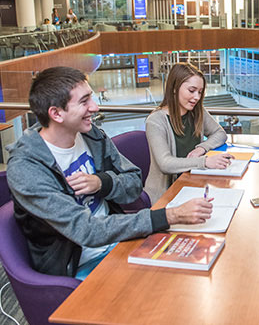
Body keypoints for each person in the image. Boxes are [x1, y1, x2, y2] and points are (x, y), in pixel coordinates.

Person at [6, 67, 214, 279]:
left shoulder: (91, 136)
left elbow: (133, 184)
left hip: (119, 243)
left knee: (194, 266)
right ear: (56, 113)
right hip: (80, 265)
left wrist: (102, 183)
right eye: (84, 101)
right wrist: (172, 215)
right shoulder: (26, 168)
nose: (95, 107)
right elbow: (87, 231)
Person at [145, 63, 229, 204]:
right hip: (167, 194)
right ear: (174, 88)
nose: (196, 97)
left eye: (200, 92)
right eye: (191, 90)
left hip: (195, 183)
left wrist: (202, 148)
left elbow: (220, 133)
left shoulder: (197, 111)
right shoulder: (156, 121)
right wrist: (205, 161)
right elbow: (165, 164)